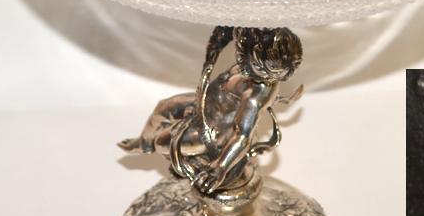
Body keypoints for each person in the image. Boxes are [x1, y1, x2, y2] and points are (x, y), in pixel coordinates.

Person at [119, 27, 302, 195]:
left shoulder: (256, 94)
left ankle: (191, 164)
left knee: (162, 142)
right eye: (247, 59)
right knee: (163, 107)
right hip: (204, 103)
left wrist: (220, 167)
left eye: (267, 71)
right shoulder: (248, 63)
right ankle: (144, 143)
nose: (243, 62)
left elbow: (242, 136)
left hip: (215, 129)